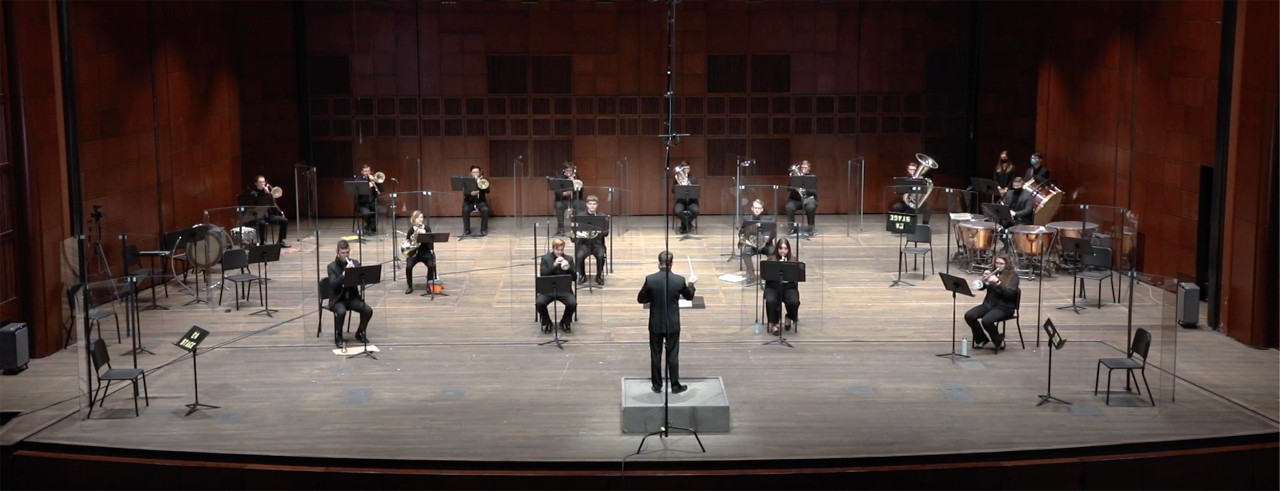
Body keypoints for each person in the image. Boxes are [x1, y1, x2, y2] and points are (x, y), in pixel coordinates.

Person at [636, 250, 696, 394]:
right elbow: (689, 296)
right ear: (672, 263)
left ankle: (657, 385)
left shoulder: (650, 279)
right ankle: (675, 385)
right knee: (673, 355)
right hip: (672, 324)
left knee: (656, 355)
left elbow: (641, 299)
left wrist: (653, 296)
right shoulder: (679, 280)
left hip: (656, 324)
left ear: (659, 263)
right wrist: (692, 283)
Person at [963, 254, 1019, 352]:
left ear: (1007, 264)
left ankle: (997, 340)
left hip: (1005, 307)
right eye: (997, 263)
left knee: (986, 320)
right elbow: (982, 288)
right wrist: (983, 280)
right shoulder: (993, 273)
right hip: (989, 304)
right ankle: (982, 339)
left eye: (1001, 263)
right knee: (969, 315)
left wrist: (998, 283)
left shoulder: (1013, 277)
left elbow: (1009, 294)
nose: (998, 265)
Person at [326, 239, 373, 349]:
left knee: (368, 310)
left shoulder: (355, 263)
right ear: (337, 252)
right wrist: (343, 275)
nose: (345, 255)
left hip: (351, 297)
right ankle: (339, 336)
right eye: (343, 253)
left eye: (347, 252)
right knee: (341, 312)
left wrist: (357, 274)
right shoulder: (331, 267)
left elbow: (362, 280)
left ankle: (360, 332)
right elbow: (333, 285)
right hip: (338, 299)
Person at [536, 238, 578, 333]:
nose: (560, 252)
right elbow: (543, 274)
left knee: (572, 303)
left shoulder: (569, 259)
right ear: (553, 248)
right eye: (557, 250)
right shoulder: (546, 259)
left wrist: (570, 268)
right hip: (548, 290)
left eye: (562, 250)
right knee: (539, 303)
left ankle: (565, 321)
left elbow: (575, 278)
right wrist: (554, 265)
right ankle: (547, 322)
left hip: (564, 289)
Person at [762, 238, 800, 335]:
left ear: (788, 250)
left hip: (788, 286)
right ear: (777, 249)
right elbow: (766, 276)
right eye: (780, 248)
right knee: (771, 301)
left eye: (785, 249)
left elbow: (797, 276)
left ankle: (789, 316)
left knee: (794, 302)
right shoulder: (771, 259)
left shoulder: (793, 260)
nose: (783, 251)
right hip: (773, 286)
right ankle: (774, 324)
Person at [244, 175, 289, 246]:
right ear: (256, 183)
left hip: (268, 216)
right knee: (262, 223)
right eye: (260, 182)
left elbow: (273, 205)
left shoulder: (267, 193)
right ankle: (262, 242)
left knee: (284, 220)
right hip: (258, 216)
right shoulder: (253, 193)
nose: (262, 184)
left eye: (263, 182)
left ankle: (280, 241)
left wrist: (269, 194)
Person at [573, 195, 608, 286]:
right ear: (587, 205)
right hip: (584, 244)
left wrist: (596, 232)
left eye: (594, 204)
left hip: (598, 244)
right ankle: (582, 275)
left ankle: (599, 275)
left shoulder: (602, 216)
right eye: (590, 204)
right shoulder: (580, 216)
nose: (592, 206)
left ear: (597, 205)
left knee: (601, 256)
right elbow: (576, 230)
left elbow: (606, 232)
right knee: (579, 256)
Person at [739, 199, 775, 284]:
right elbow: (741, 233)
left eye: (759, 208)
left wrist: (767, 239)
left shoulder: (768, 219)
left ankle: (768, 274)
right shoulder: (747, 219)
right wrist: (748, 239)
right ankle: (751, 274)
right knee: (745, 252)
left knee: (773, 251)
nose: (757, 209)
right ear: (752, 208)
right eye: (755, 207)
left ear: (762, 209)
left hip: (766, 245)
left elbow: (773, 233)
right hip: (752, 245)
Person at [402, 210, 437, 294]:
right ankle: (410, 286)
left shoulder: (426, 228)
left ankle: (429, 284)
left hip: (425, 252)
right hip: (414, 253)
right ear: (414, 219)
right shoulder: (411, 230)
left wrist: (425, 236)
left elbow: (431, 242)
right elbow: (407, 242)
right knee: (408, 267)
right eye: (418, 218)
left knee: (431, 265)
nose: (420, 219)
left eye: (421, 217)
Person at [890, 160, 932, 224]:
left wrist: (926, 183)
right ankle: (898, 227)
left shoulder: (923, 180)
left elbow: (925, 191)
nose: (912, 171)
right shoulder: (904, 179)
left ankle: (925, 226)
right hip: (906, 201)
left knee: (928, 209)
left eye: (914, 170)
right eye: (910, 169)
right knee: (895, 207)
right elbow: (899, 191)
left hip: (917, 202)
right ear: (907, 169)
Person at [785, 160, 819, 236]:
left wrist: (805, 191)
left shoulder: (812, 177)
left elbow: (813, 191)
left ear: (809, 168)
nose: (803, 169)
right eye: (802, 167)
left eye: (805, 167)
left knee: (811, 207)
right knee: (789, 207)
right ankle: (791, 228)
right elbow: (788, 189)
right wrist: (794, 184)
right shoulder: (795, 176)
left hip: (808, 199)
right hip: (796, 199)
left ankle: (810, 228)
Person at [553, 162, 584, 235]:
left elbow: (581, 189)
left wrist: (574, 182)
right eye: (568, 170)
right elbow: (556, 190)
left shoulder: (576, 177)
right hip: (563, 200)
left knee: (580, 205)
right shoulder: (559, 177)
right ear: (564, 170)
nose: (569, 172)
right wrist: (564, 193)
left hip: (574, 199)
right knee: (558, 205)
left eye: (571, 171)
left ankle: (578, 228)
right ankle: (560, 228)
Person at [462, 165, 490, 237]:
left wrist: (479, 183)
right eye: (473, 172)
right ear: (470, 173)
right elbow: (465, 192)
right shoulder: (467, 181)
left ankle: (483, 230)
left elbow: (488, 191)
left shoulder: (483, 180)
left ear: (480, 173)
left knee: (485, 210)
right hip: (469, 202)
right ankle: (467, 230)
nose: (475, 174)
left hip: (480, 201)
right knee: (465, 210)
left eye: (477, 172)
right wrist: (471, 193)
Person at [672, 161, 700, 234]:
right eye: (685, 169)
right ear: (682, 169)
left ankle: (684, 225)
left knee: (696, 211)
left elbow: (696, 191)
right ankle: (688, 224)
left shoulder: (694, 178)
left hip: (691, 201)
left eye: (688, 168)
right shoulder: (677, 178)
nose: (687, 170)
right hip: (680, 201)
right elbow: (672, 190)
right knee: (677, 211)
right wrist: (678, 184)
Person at [355, 164, 381, 235]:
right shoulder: (358, 179)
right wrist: (367, 186)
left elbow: (381, 190)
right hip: (362, 203)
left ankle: (367, 228)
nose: (367, 173)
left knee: (382, 211)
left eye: (368, 171)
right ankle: (372, 228)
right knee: (366, 213)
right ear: (362, 172)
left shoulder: (373, 178)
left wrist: (376, 181)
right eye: (365, 171)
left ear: (371, 171)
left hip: (373, 202)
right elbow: (358, 193)